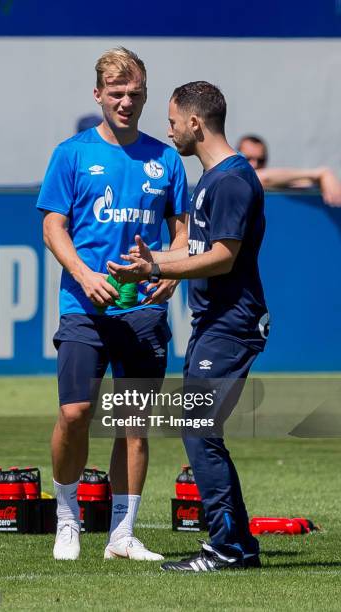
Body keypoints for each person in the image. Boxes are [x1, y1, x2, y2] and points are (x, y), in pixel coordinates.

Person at [108, 81, 269, 572]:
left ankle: (227, 547)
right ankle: (236, 545)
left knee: (196, 426)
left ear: (195, 123)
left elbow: (222, 257)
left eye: (174, 120)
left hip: (233, 324)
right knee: (198, 426)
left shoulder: (233, 181)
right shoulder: (212, 179)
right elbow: (199, 252)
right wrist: (152, 261)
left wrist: (156, 269)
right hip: (214, 323)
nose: (170, 129)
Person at [36, 47, 188, 561]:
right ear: (98, 94)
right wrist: (82, 273)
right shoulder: (71, 154)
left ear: (145, 94)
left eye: (135, 93)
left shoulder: (166, 158)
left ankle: (122, 535)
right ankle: (67, 518)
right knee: (75, 412)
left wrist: (168, 273)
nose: (126, 101)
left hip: (143, 308)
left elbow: (182, 228)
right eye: (116, 93)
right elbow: (52, 224)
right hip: (83, 305)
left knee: (133, 423)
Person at [237, 134, 341, 207]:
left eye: (260, 160)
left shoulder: (274, 181)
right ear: (237, 157)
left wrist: (324, 178)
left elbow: (302, 183)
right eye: (248, 158)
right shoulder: (231, 178)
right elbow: (261, 178)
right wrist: (319, 172)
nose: (254, 164)